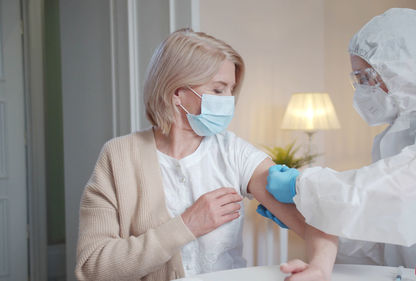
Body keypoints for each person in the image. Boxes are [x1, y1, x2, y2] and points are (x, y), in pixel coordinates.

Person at [75, 28, 338, 281]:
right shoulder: (118, 156)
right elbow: (92, 268)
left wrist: (320, 267)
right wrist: (186, 225)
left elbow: (318, 218)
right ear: (178, 93)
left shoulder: (234, 152)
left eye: (231, 90)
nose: (228, 100)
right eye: (218, 89)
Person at [260, 8, 416, 281]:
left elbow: (402, 191)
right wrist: (310, 215)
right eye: (357, 80)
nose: (361, 89)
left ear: (404, 70)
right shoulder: (390, 139)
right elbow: (382, 240)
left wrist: (304, 186)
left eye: (366, 78)